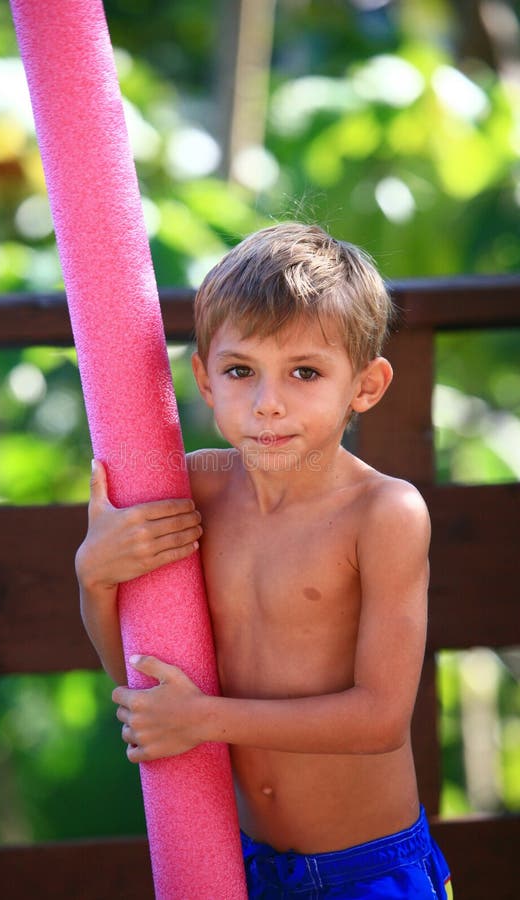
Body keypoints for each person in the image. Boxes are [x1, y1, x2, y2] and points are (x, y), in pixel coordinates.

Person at [75, 223, 453, 899]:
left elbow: (379, 719)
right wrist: (95, 577)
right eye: (240, 370)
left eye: (304, 372)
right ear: (204, 379)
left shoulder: (383, 514)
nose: (267, 402)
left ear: (365, 386)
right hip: (241, 865)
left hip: (368, 869)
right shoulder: (189, 489)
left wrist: (204, 720)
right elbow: (137, 677)